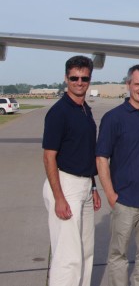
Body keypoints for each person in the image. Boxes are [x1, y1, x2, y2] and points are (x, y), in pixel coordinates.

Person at [96, 64, 139, 286]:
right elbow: (101, 159)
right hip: (124, 200)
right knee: (118, 255)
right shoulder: (113, 118)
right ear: (128, 85)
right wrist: (110, 194)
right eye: (138, 84)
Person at [42, 55, 101, 286]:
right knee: (68, 258)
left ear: (89, 79)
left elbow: (84, 151)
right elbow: (49, 156)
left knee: (86, 252)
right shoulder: (59, 112)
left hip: (85, 185)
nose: (79, 82)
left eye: (84, 78)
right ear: (66, 78)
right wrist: (59, 197)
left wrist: (93, 186)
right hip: (65, 184)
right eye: (74, 78)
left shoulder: (84, 109)